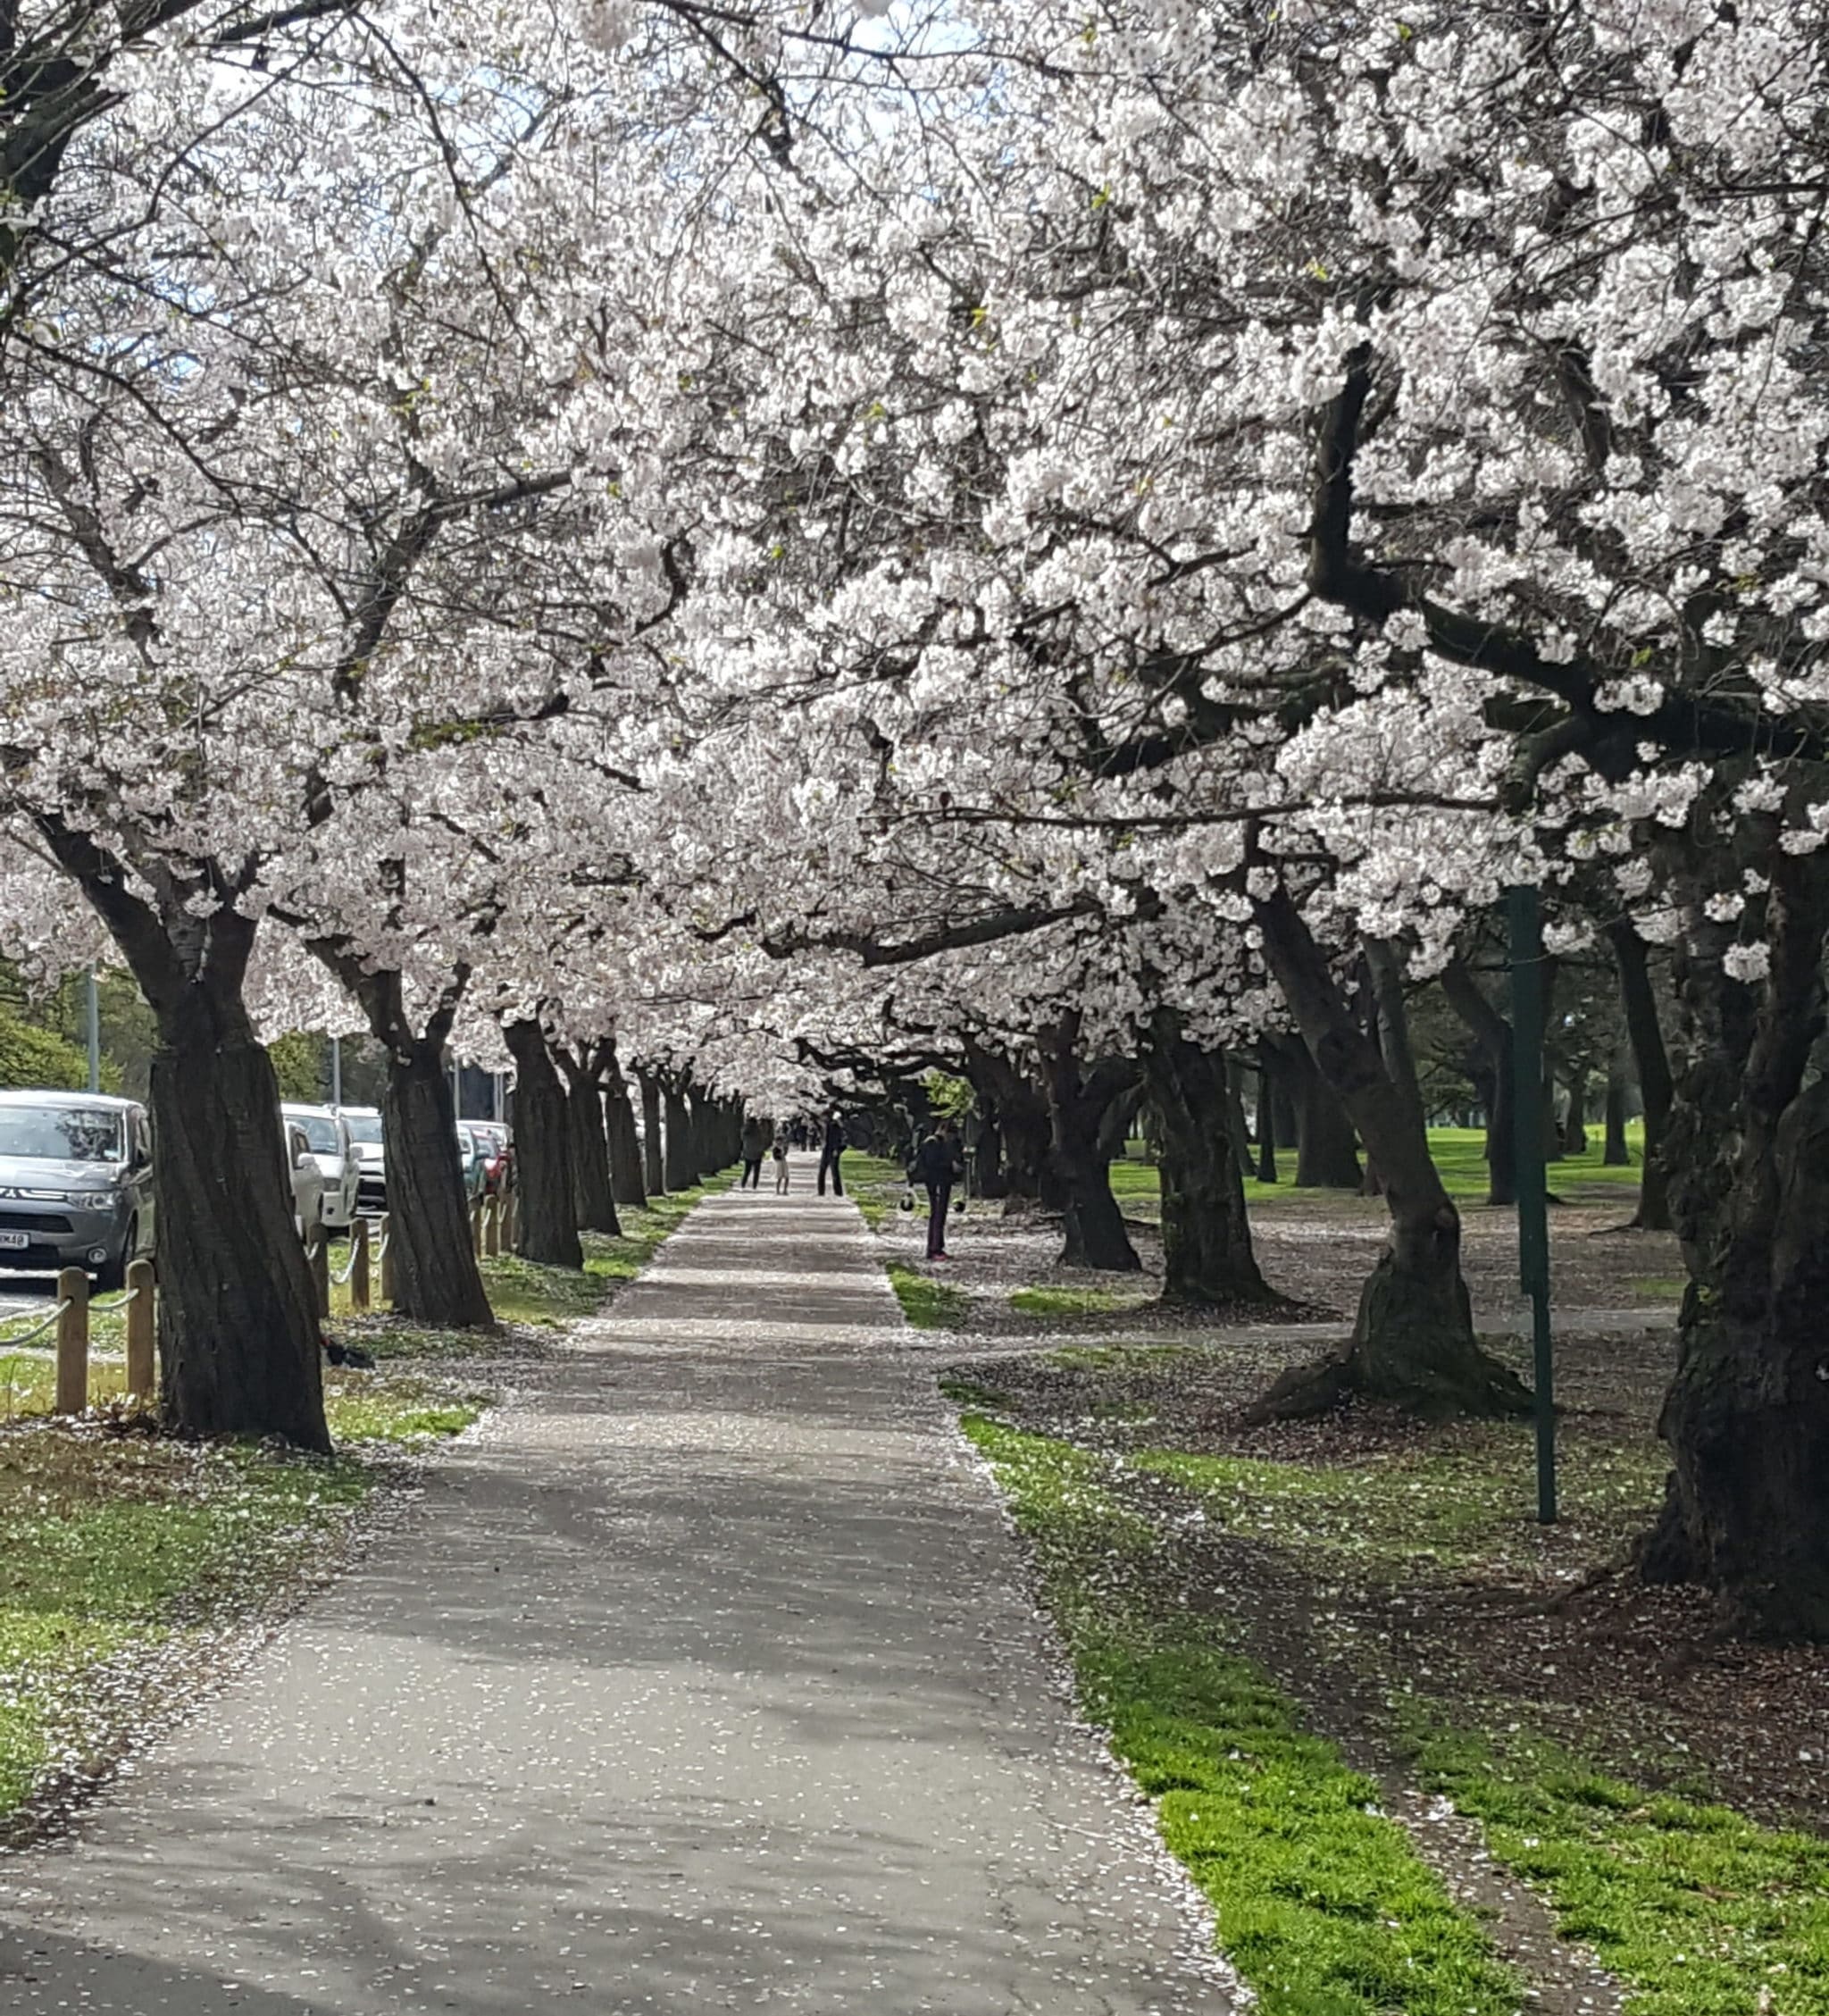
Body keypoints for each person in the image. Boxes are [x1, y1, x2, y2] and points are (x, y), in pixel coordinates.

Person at [913, 1117, 965, 1260]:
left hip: (943, 1181)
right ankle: (934, 1248)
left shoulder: (941, 1143)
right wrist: (950, 1165)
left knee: (940, 1214)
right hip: (936, 1182)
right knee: (936, 1214)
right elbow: (932, 1163)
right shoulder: (932, 1143)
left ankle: (938, 1246)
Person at [817, 1109, 848, 1196]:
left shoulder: (835, 1125)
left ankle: (838, 1192)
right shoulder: (825, 1126)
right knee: (822, 1171)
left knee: (835, 1172)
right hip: (826, 1150)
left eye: (824, 1117)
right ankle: (821, 1191)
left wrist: (837, 1149)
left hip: (833, 1150)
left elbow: (838, 1138)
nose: (822, 1119)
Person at [739, 1115, 767, 1190]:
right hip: (757, 1153)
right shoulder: (758, 1130)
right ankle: (754, 1186)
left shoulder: (745, 1129)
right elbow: (761, 1140)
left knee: (747, 1170)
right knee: (756, 1171)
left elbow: (742, 1139)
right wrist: (762, 1150)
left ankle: (743, 1184)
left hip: (747, 1152)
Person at [772, 1125, 791, 1194]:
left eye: (781, 1141)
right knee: (779, 1177)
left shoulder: (783, 1147)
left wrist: (785, 1149)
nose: (780, 1142)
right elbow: (774, 1156)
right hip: (778, 1163)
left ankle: (785, 1190)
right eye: (778, 1141)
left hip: (783, 1161)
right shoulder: (775, 1148)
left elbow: (785, 1154)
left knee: (787, 1177)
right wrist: (779, 1154)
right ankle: (777, 1190)